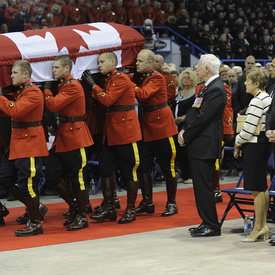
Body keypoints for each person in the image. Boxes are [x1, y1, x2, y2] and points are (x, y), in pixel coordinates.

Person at [82, 51, 141, 224]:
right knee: (106, 169)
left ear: (113, 62)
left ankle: (130, 209)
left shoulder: (120, 79)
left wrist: (92, 85)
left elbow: (107, 100)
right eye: (98, 62)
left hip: (125, 132)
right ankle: (109, 207)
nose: (98, 65)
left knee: (129, 170)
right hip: (111, 131)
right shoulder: (109, 80)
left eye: (102, 62)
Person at [178, 54, 227, 237]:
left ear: (206, 68)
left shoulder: (215, 89)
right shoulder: (207, 87)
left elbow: (203, 118)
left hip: (204, 143)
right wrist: (184, 130)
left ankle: (212, 225)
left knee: (204, 186)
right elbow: (194, 112)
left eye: (198, 66)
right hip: (199, 142)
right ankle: (206, 221)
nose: (196, 69)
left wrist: (186, 134)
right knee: (200, 186)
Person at [43, 55, 94, 231]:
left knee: (78, 179)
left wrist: (47, 90)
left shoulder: (72, 86)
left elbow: (53, 105)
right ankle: (74, 205)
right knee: (51, 174)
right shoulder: (64, 85)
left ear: (67, 68)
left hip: (75, 136)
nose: (53, 70)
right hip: (63, 135)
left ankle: (82, 216)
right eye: (52, 67)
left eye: (56, 67)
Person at [0, 60, 49, 236]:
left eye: (14, 72)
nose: (11, 75)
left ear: (26, 74)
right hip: (18, 145)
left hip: (29, 145)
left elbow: (16, 112)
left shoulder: (33, 92)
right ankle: (36, 208)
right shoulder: (21, 92)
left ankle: (35, 223)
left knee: (27, 184)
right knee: (5, 179)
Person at [132, 49, 178, 217]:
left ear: (150, 63)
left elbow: (143, 95)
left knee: (168, 166)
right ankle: (147, 201)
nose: (137, 63)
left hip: (162, 127)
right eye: (136, 60)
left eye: (140, 61)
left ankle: (172, 203)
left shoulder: (157, 77)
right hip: (146, 127)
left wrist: (125, 82)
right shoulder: (141, 77)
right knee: (143, 166)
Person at [235, 68, 272, 242]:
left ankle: (258, 227)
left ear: (256, 83)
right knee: (262, 188)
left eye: (248, 80)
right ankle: (262, 225)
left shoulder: (257, 101)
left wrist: (237, 141)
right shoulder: (267, 98)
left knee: (256, 189)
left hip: (255, 146)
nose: (244, 83)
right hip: (262, 146)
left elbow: (248, 129)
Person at [172, 68, 199, 184]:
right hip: (175, 125)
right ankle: (183, 174)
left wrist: (183, 118)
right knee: (179, 152)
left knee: (188, 151)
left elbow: (195, 110)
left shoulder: (195, 94)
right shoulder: (179, 93)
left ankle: (191, 176)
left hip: (188, 125)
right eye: (184, 77)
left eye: (189, 77)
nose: (186, 79)